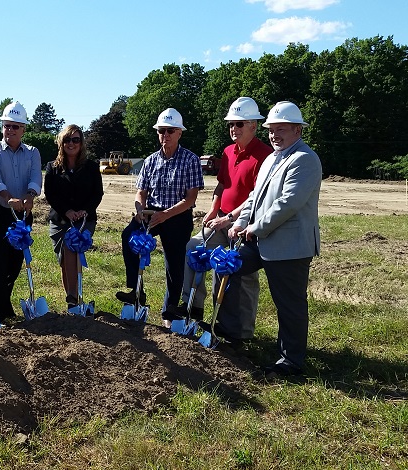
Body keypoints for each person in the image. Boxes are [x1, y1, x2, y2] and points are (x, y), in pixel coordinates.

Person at [224, 101, 322, 377]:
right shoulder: (272, 158)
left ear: (298, 130)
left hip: (289, 246)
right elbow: (254, 197)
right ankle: (233, 334)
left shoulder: (304, 159)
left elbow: (287, 203)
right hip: (258, 239)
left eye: (281, 129)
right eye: (271, 129)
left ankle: (291, 360)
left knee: (289, 304)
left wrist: (256, 227)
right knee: (228, 268)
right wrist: (240, 222)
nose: (274, 134)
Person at [178, 97, 272, 343]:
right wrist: (213, 210)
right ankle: (193, 308)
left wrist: (229, 219)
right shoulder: (229, 152)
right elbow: (222, 184)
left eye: (239, 124)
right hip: (221, 219)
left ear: (254, 125)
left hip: (246, 225)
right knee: (193, 249)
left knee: (241, 275)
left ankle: (241, 332)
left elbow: (256, 197)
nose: (234, 129)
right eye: (231, 124)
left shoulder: (265, 155)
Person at [116, 108, 204, 324]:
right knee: (129, 237)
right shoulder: (151, 160)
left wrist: (166, 215)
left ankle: (170, 311)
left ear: (179, 133)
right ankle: (135, 291)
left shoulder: (190, 160)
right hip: (151, 212)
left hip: (177, 214)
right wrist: (140, 210)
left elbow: (191, 199)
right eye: (161, 131)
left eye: (170, 131)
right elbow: (141, 191)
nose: (165, 135)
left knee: (174, 264)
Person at [0, 101, 43, 322]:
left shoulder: (32, 153)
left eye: (15, 126)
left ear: (23, 129)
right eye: (7, 126)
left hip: (23, 215)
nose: (10, 130)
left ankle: (4, 305)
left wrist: (29, 196)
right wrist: (9, 199)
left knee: (16, 262)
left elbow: (36, 177)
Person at [44, 125, 104, 307]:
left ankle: (73, 297)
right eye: (67, 140)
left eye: (75, 140)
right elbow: (50, 194)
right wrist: (67, 211)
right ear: (61, 143)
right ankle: (72, 299)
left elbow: (97, 193)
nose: (71, 143)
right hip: (60, 220)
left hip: (85, 220)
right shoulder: (52, 168)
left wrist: (84, 210)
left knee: (71, 249)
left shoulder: (91, 167)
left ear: (81, 143)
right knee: (64, 259)